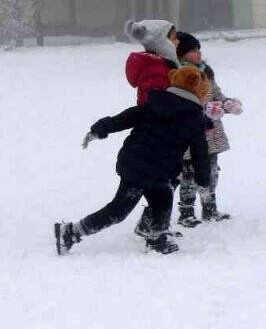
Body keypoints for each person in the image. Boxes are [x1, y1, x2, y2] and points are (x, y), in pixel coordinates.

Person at [54, 67, 213, 256]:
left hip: (139, 163)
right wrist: (203, 180)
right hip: (142, 169)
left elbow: (126, 117)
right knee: (119, 209)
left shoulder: (156, 103)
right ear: (198, 90)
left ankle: (156, 237)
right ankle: (70, 232)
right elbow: (200, 154)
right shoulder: (194, 119)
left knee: (163, 198)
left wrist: (100, 129)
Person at [174, 32, 243, 226]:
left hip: (211, 131)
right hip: (190, 132)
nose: (198, 53)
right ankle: (186, 212)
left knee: (211, 169)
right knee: (188, 172)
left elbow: (216, 93)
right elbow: (181, 102)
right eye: (192, 51)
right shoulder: (179, 74)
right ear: (180, 54)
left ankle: (209, 207)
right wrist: (205, 109)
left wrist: (226, 103)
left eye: (198, 49)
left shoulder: (206, 71)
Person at [124, 19, 180, 105]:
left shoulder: (163, 66)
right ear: (162, 43)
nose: (178, 42)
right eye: (174, 38)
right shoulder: (155, 73)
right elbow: (157, 109)